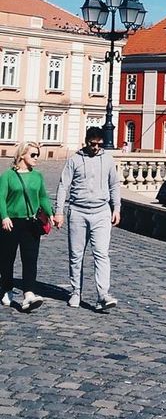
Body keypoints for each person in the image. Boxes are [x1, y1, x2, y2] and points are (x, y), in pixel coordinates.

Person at [57, 126, 121, 311]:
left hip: (101, 212)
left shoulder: (107, 159)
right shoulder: (74, 160)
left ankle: (103, 295)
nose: (96, 148)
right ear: (86, 142)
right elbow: (63, 185)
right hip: (78, 211)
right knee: (76, 255)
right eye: (93, 144)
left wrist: (116, 208)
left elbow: (114, 184)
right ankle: (76, 292)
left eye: (100, 144)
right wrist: (59, 211)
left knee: (101, 254)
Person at [1, 143, 56, 311]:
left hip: (31, 223)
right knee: (7, 259)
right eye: (33, 155)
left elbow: (43, 197)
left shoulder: (37, 176)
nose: (36, 158)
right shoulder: (8, 176)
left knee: (30, 259)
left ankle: (28, 294)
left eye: (37, 154)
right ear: (22, 155)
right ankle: (7, 288)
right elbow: (1, 198)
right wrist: (4, 216)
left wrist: (50, 214)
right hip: (11, 223)